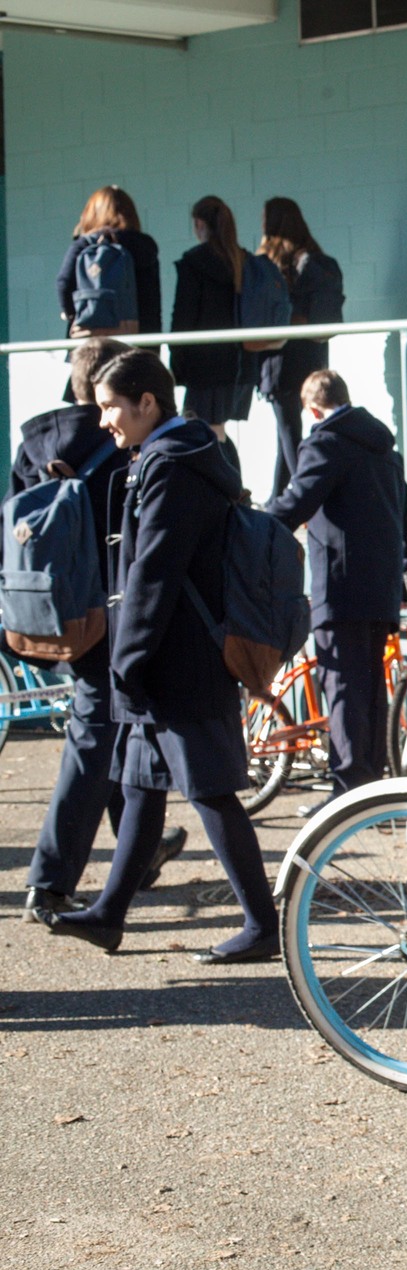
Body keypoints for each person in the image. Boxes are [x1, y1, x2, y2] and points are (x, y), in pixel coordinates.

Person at [41, 350, 279, 963]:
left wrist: (128, 658)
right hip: (168, 656)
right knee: (140, 784)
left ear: (148, 403)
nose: (104, 421)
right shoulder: (176, 454)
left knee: (211, 790)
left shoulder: (172, 465)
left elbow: (154, 572)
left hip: (178, 660)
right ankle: (109, 915)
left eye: (111, 407)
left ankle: (262, 925)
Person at [12, 339, 185, 921]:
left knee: (112, 729)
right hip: (110, 614)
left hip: (52, 611)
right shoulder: (119, 444)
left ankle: (142, 851)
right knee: (95, 737)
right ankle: (49, 882)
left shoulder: (35, 442)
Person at [263, 370, 407, 804]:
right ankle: (372, 788)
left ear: (314, 411)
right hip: (381, 592)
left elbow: (295, 505)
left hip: (340, 587)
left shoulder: (325, 443)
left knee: (342, 687)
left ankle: (349, 792)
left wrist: (251, 526)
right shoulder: (386, 452)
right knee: (370, 689)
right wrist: (403, 577)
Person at [256, 198, 346, 496]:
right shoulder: (315, 259)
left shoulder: (272, 264)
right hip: (311, 355)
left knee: (288, 432)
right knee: (288, 432)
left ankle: (306, 496)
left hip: (279, 359)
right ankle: (278, 498)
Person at [171, 196, 252, 466]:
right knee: (217, 429)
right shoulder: (243, 260)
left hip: (203, 361)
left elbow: (183, 316)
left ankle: (226, 483)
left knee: (200, 428)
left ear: (199, 224)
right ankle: (231, 482)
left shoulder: (194, 262)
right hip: (239, 361)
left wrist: (176, 361)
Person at [56, 186, 163, 342]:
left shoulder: (84, 244)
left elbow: (63, 283)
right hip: (138, 337)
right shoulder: (144, 245)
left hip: (90, 339)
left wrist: (72, 314)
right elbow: (152, 298)